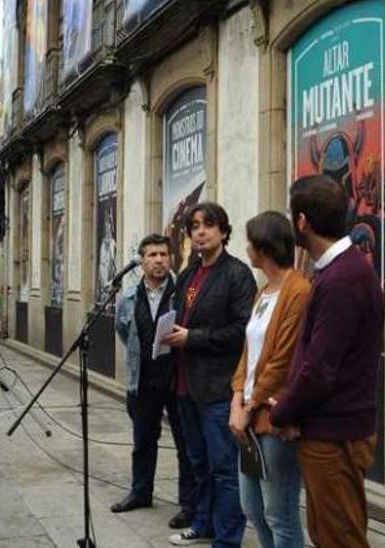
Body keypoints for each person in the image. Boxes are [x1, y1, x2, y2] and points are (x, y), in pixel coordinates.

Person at [269, 175, 385, 548]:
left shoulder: (344, 277)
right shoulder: (335, 271)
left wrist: (281, 412)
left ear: (302, 222)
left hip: (336, 434)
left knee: (340, 538)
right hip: (326, 429)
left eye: (292, 217)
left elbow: (320, 368)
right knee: (325, 534)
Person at [162, 202, 256, 547]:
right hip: (185, 385)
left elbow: (241, 330)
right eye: (195, 226)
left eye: (209, 225)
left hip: (218, 388)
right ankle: (203, 524)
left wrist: (193, 338)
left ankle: (228, 538)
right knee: (198, 463)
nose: (200, 232)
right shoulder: (187, 274)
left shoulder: (236, 274)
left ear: (224, 232)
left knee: (225, 469)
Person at [229, 212, 310, 548]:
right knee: (253, 509)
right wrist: (236, 397)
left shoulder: (298, 290)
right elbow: (249, 352)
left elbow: (282, 358)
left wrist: (250, 405)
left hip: (271, 416)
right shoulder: (263, 291)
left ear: (262, 247)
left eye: (249, 241)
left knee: (280, 511)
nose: (245, 247)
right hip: (247, 413)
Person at [111, 234, 198, 527]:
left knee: (185, 445)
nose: (158, 260)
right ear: (142, 261)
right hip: (144, 381)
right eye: (152, 255)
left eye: (163, 254)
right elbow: (124, 332)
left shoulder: (183, 292)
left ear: (171, 259)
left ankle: (189, 504)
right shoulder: (129, 298)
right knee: (143, 440)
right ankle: (140, 492)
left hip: (177, 379)